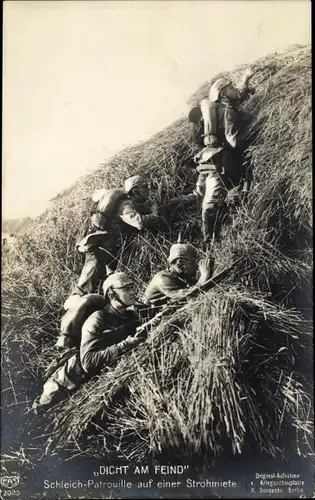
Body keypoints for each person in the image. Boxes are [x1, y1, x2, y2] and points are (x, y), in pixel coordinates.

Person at [33, 272, 145, 413]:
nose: (133, 292)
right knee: (41, 413)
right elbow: (88, 362)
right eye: (126, 289)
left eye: (132, 287)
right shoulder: (97, 319)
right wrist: (124, 345)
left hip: (96, 380)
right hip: (69, 383)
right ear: (112, 295)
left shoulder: (130, 316)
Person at [188, 68, 255, 245]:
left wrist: (246, 79)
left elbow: (239, 93)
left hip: (205, 160)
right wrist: (251, 145)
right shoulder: (227, 110)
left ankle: (175, 207)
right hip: (219, 160)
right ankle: (209, 241)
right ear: (224, 92)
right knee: (212, 201)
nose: (235, 89)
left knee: (200, 194)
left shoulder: (213, 110)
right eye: (231, 86)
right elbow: (233, 140)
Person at [142, 242, 215, 308]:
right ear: (180, 265)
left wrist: (208, 275)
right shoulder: (163, 279)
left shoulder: (182, 277)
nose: (196, 266)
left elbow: (200, 292)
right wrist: (204, 276)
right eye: (192, 262)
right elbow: (188, 296)